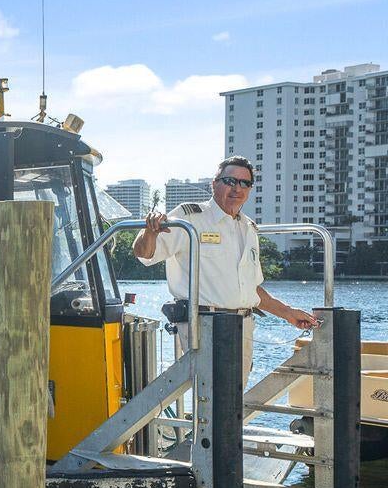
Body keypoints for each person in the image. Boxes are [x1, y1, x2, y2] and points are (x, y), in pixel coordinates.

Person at [134, 155, 318, 371]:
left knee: (237, 390)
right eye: (230, 181)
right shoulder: (190, 217)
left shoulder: (248, 228)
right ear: (214, 184)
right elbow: (144, 255)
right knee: (211, 390)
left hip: (243, 327)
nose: (237, 188)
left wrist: (288, 313)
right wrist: (150, 232)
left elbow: (251, 290)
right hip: (203, 325)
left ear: (250, 189)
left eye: (244, 183)